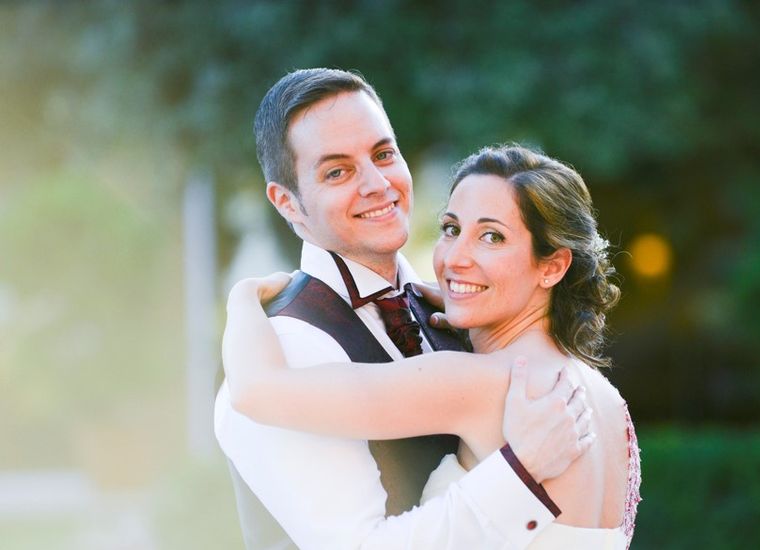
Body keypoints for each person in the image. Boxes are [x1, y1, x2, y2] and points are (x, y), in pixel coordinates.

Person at [214, 69, 595, 550]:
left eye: (383, 154)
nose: (377, 184)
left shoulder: (452, 312)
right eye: (337, 171)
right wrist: (519, 473)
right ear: (287, 202)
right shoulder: (287, 345)